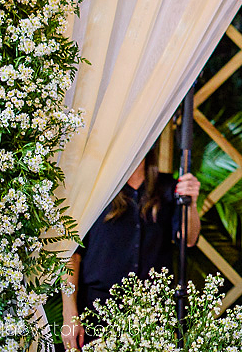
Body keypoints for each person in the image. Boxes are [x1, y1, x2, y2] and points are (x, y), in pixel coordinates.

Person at [62, 147, 201, 349]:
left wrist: (191, 203)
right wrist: (69, 313)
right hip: (97, 311)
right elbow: (72, 255)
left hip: (152, 315)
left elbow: (188, 238)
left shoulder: (166, 188)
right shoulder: (93, 189)